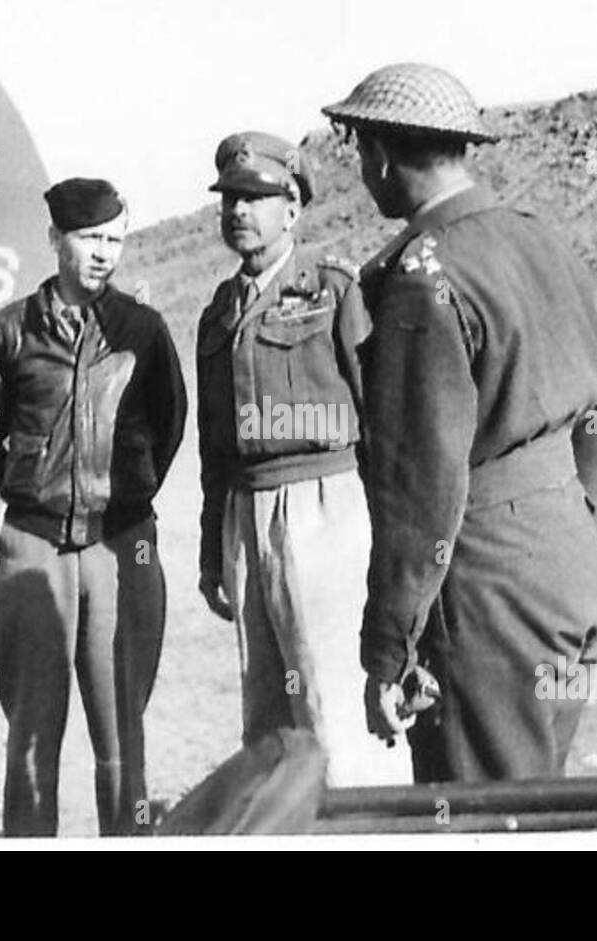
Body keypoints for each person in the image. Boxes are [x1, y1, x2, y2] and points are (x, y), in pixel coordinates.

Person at [322, 63, 597, 782]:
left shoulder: (421, 276)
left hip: (483, 589)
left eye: (362, 152)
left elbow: (421, 489)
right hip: (569, 567)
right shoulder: (539, 239)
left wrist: (388, 652)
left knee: (481, 816)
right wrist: (564, 521)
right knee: (536, 806)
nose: (363, 170)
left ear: (382, 155)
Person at [196, 131, 410, 786]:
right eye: (231, 198)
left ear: (293, 209)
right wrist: (214, 549)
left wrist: (394, 545)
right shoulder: (217, 313)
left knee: (333, 698)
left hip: (325, 508)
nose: (240, 211)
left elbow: (383, 423)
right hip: (245, 512)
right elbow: (214, 447)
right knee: (266, 711)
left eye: (257, 197)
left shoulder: (333, 288)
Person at [0, 178, 186, 836]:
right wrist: (34, 486)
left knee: (121, 733)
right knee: (31, 735)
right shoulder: (11, 330)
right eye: (91, 237)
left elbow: (169, 424)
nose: (105, 252)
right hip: (33, 545)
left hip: (118, 545)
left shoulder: (142, 330)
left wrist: (125, 497)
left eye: (115, 239)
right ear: (56, 239)